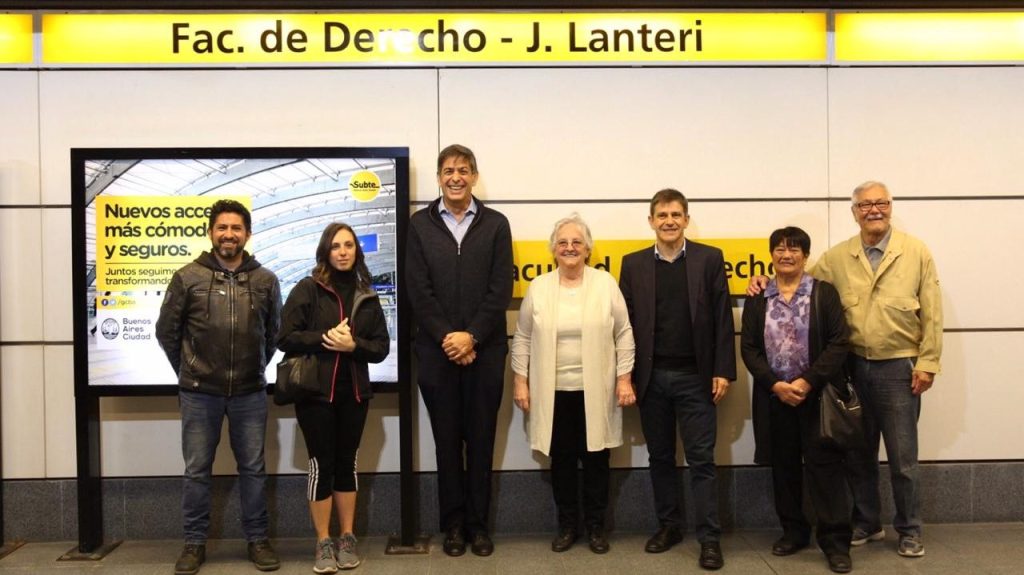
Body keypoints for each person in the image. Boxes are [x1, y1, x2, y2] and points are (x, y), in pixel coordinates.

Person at [748, 181, 942, 558]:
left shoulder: (915, 252)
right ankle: (867, 521)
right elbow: (796, 279)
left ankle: (909, 529)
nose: (874, 210)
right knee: (857, 453)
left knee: (903, 457)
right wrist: (763, 281)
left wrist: (928, 362)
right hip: (851, 370)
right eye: (865, 205)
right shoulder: (838, 256)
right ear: (854, 212)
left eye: (880, 203)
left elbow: (933, 311)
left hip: (898, 367)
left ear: (890, 207)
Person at [155, 199, 282, 575]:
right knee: (196, 470)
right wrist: (189, 369)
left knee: (253, 469)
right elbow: (166, 332)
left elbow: (273, 334)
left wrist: (253, 368)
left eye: (236, 228)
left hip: (249, 392)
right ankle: (194, 543)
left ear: (247, 234)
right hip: (199, 393)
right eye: (222, 227)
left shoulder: (265, 280)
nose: (229, 234)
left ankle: (258, 540)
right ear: (211, 232)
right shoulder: (187, 278)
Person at [619, 188, 735, 571]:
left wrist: (722, 369)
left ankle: (709, 539)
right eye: (662, 215)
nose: (669, 221)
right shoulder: (633, 265)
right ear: (651, 221)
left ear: (686, 219)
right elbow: (624, 328)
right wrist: (626, 377)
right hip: (651, 380)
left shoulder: (709, 258)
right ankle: (669, 526)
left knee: (702, 460)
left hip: (696, 379)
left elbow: (722, 318)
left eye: (675, 215)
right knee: (661, 457)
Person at [405, 144, 513, 557]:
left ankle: (479, 527)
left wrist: (472, 337)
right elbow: (418, 290)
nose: (456, 177)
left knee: (482, 441)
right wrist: (449, 338)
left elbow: (500, 289)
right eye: (448, 170)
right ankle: (452, 526)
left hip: (486, 352)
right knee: (447, 443)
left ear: (474, 177)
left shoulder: (496, 224)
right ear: (438, 178)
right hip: (436, 355)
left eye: (463, 170)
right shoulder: (420, 225)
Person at [510, 214, 636, 554]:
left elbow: (624, 333)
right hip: (553, 393)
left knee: (596, 461)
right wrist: (520, 381)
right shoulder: (539, 287)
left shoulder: (604, 284)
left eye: (576, 242)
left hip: (597, 391)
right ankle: (567, 526)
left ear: (587, 249)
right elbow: (522, 338)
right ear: (553, 249)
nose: (570, 248)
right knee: (562, 463)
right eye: (563, 242)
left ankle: (596, 528)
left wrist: (624, 378)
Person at [276, 223, 390, 573]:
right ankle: (323, 541)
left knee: (346, 464)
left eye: (349, 245)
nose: (343, 252)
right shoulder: (308, 288)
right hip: (315, 395)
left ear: (357, 251)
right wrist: (327, 338)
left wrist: (353, 345)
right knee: (320, 465)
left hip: (354, 394)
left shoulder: (366, 294)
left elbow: (381, 347)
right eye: (336, 246)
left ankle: (347, 536)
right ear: (326, 251)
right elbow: (285, 337)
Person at [740, 227, 853, 574]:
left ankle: (835, 543)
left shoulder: (823, 293)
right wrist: (775, 385)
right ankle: (794, 532)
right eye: (779, 249)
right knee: (784, 467)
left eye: (794, 249)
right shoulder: (759, 297)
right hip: (775, 398)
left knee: (825, 470)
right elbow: (749, 348)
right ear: (771, 255)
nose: (786, 255)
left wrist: (807, 381)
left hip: (816, 397)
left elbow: (839, 342)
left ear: (805, 256)